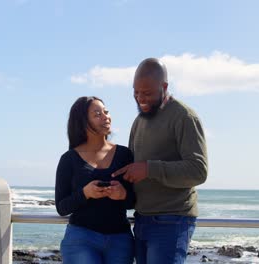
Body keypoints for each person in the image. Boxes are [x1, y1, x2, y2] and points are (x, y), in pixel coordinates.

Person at [112, 58, 208, 264]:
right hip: (142, 219)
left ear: (164, 87)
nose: (140, 99)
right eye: (136, 92)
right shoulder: (138, 121)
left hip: (172, 221)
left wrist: (149, 169)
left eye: (147, 93)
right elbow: (133, 166)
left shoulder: (184, 116)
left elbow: (198, 170)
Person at [55, 96, 135, 264]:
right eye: (97, 114)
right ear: (83, 121)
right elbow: (62, 207)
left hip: (120, 239)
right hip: (81, 239)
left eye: (106, 112)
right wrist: (85, 193)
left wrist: (122, 195)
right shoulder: (69, 159)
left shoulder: (125, 154)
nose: (105, 116)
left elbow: (135, 201)